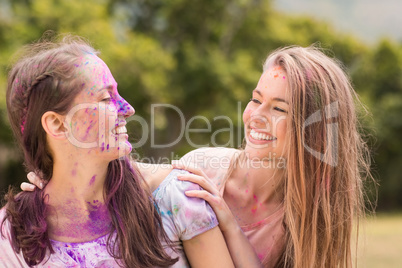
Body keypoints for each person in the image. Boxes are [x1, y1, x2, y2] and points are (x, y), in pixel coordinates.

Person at [22, 45, 372, 267]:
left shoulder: (309, 217)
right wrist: (59, 177)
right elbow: (139, 175)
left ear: (312, 129)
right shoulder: (207, 167)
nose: (256, 116)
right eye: (255, 99)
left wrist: (230, 226)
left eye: (279, 108)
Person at [1, 35, 235, 267]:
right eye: (105, 98)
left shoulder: (174, 197)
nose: (128, 108)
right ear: (58, 124)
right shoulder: (10, 237)